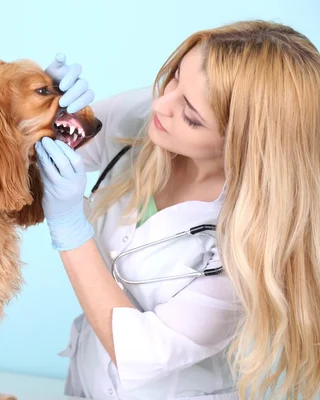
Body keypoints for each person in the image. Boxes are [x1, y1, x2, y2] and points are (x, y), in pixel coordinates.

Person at [35, 20, 320, 400]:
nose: (161, 104)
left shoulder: (251, 245)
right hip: (86, 381)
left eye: (191, 115)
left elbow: (135, 349)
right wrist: (44, 104)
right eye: (175, 78)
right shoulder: (152, 117)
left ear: (242, 145)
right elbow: (45, 156)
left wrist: (69, 228)